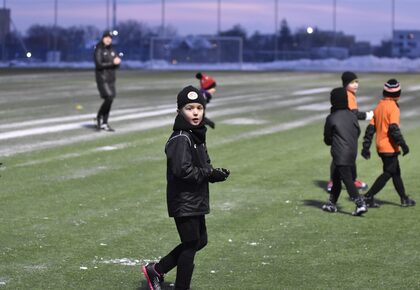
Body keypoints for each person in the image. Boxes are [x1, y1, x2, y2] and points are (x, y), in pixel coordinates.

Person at [142, 85, 230, 290]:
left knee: (200, 241)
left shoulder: (195, 135)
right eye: (190, 108)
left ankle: (156, 269)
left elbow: (201, 166)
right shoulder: (181, 137)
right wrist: (209, 173)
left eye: (199, 107)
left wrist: (215, 174)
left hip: (195, 198)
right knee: (191, 244)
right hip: (184, 200)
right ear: (180, 111)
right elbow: (183, 171)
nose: (196, 112)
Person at [361, 79, 415, 207]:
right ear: (398, 94)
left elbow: (370, 129)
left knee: (396, 172)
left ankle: (404, 198)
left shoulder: (379, 106)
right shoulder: (394, 107)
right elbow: (393, 129)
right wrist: (403, 144)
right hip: (389, 147)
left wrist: (366, 147)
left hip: (380, 146)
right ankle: (368, 197)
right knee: (389, 173)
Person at [323, 87, 367, 216]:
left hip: (340, 152)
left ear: (333, 101)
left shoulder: (331, 118)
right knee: (336, 177)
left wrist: (335, 141)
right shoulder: (352, 116)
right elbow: (357, 132)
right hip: (352, 151)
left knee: (347, 179)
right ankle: (332, 204)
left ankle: (360, 204)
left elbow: (327, 139)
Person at [326, 71, 372, 192]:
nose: (356, 84)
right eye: (352, 82)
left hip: (346, 129)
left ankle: (351, 180)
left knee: (347, 155)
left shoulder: (349, 94)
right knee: (340, 155)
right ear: (346, 84)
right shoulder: (347, 95)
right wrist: (369, 115)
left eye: (356, 82)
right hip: (343, 130)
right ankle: (334, 181)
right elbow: (354, 114)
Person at [94, 31, 121, 132]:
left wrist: (117, 62)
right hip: (102, 78)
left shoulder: (112, 50)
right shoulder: (98, 49)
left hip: (111, 79)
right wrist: (112, 63)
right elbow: (99, 64)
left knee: (111, 99)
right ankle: (99, 117)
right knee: (109, 97)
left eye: (110, 38)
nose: (108, 39)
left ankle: (104, 123)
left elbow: (116, 65)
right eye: (106, 37)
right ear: (103, 38)